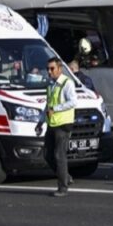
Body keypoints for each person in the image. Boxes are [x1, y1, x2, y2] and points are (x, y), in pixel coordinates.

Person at [36, 58, 77, 197]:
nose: (49, 71)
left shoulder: (67, 83)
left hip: (63, 124)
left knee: (59, 155)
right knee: (47, 155)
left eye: (52, 68)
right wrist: (40, 122)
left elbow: (73, 102)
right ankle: (65, 176)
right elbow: (47, 106)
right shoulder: (50, 84)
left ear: (60, 69)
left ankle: (62, 187)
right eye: (48, 68)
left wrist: (56, 108)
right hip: (52, 123)